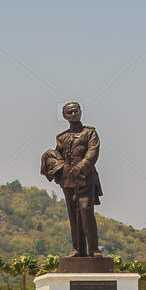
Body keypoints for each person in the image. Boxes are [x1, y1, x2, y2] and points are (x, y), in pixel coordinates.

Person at [41, 101, 103, 257]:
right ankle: (78, 249)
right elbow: (58, 156)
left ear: (81, 111)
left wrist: (80, 167)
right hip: (68, 180)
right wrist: (54, 165)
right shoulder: (62, 137)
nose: (73, 114)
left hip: (86, 177)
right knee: (73, 214)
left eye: (76, 111)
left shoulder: (90, 133)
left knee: (85, 210)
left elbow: (92, 152)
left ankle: (94, 249)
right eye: (70, 112)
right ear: (64, 116)